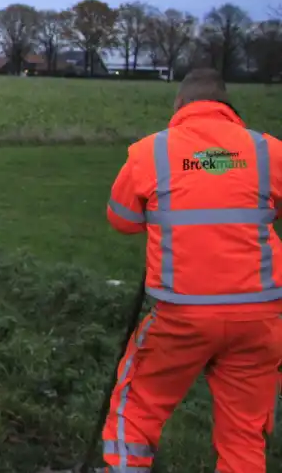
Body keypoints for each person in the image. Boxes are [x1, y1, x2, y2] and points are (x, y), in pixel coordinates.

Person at [102, 67, 282, 473]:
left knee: (137, 407)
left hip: (181, 314)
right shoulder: (268, 150)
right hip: (259, 317)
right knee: (244, 435)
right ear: (228, 106)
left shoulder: (151, 151)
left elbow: (121, 219)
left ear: (179, 105)